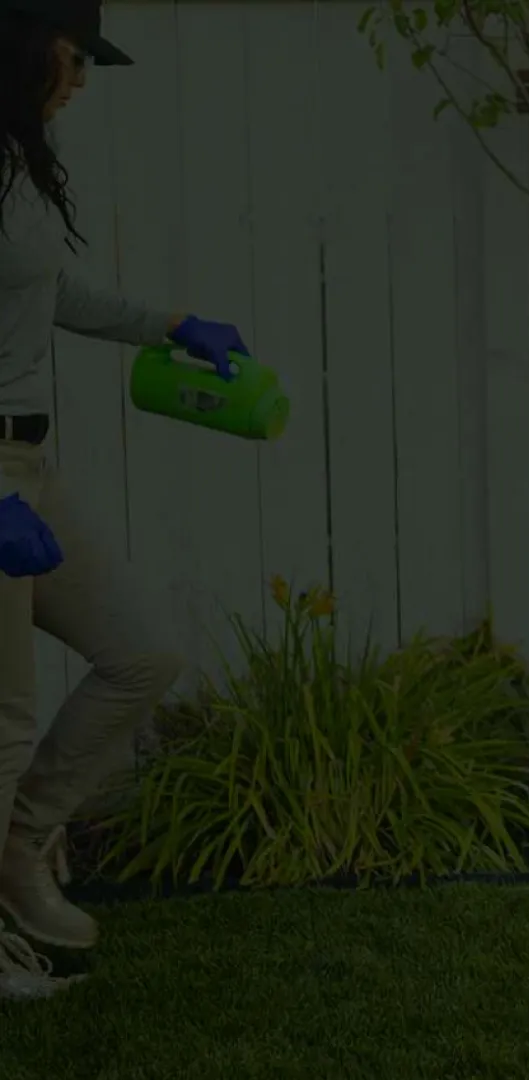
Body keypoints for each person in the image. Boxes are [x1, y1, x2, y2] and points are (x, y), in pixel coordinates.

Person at [0, 0, 253, 999]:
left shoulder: (17, 162)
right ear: (22, 47)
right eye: (76, 54)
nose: (86, 76)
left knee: (142, 650)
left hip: (28, 466)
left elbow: (42, 294)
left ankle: (20, 848)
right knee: (4, 719)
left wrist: (172, 323)